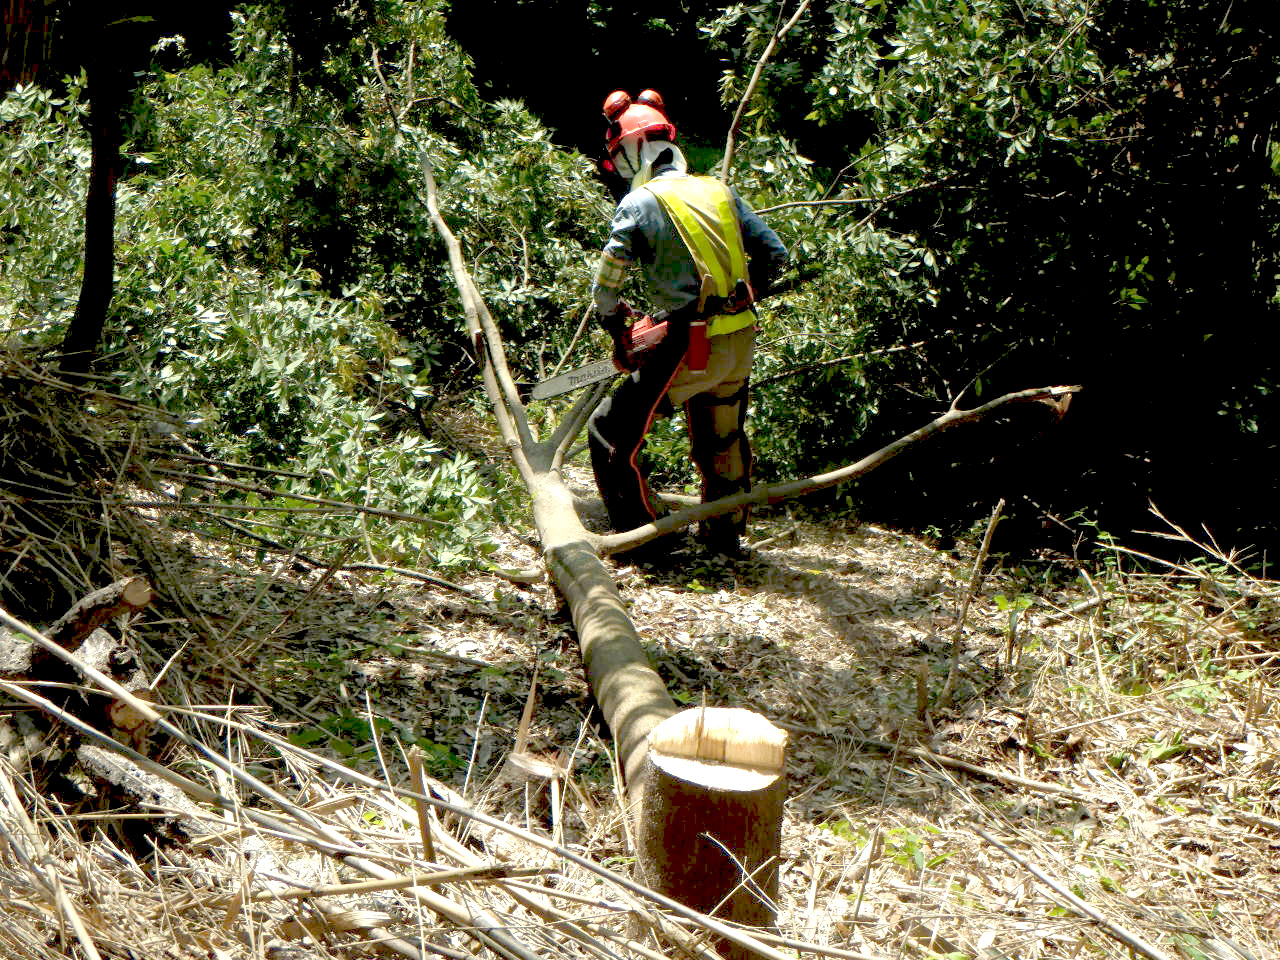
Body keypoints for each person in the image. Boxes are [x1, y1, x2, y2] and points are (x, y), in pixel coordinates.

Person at [587, 89, 788, 560]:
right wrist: (732, 297)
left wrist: (618, 328)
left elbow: (606, 286)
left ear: (632, 149)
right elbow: (774, 256)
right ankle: (725, 534)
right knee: (722, 437)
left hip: (691, 345)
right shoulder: (720, 190)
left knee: (610, 431)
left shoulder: (640, 203)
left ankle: (644, 539)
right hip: (740, 339)